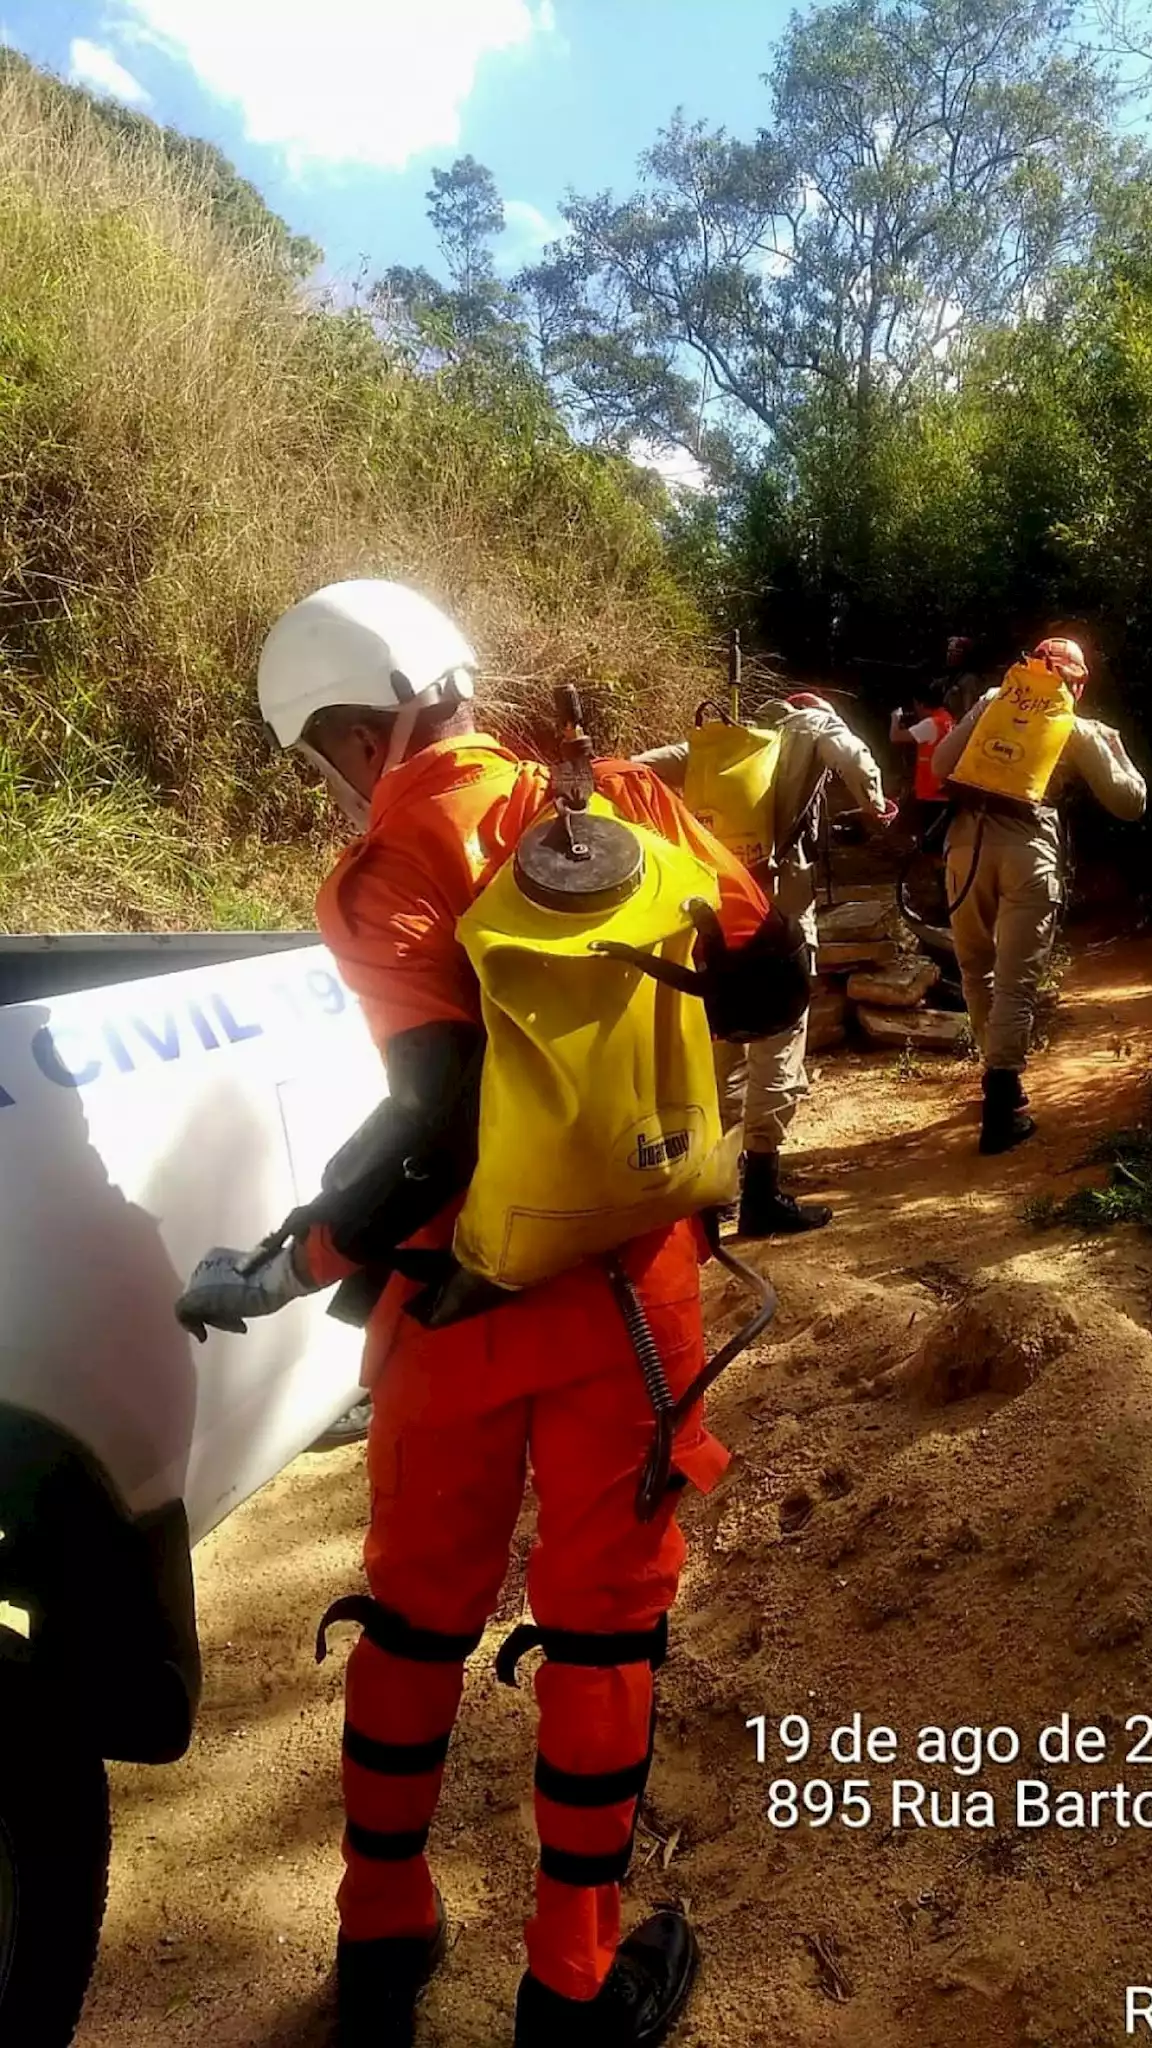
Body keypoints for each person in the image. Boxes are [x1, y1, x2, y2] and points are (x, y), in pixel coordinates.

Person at [173, 580, 810, 2048]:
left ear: (345, 730)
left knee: (414, 1613)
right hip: (625, 1300)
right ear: (449, 678)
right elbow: (774, 986)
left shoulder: (386, 864)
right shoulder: (634, 799)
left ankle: (382, 1933)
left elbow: (434, 1131)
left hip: (453, 1310)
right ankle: (573, 1984)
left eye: (318, 754)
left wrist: (291, 1264)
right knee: (602, 1637)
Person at [637, 690, 890, 1236]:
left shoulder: (724, 749)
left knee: (723, 1046)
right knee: (778, 1048)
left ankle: (711, 1197)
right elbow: (854, 757)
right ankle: (761, 1193)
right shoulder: (815, 729)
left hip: (715, 919)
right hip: (780, 923)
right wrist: (875, 801)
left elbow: (639, 769)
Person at [931, 637, 1146, 1155]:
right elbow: (1129, 803)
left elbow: (940, 765)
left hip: (964, 848)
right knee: (1015, 980)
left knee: (976, 969)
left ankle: (997, 1073)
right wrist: (1114, 748)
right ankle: (1001, 1098)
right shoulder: (1075, 724)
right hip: (1028, 852)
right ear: (1077, 682)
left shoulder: (990, 702)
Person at [889, 680, 955, 838]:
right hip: (943, 788)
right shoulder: (946, 718)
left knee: (925, 837)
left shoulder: (930, 724)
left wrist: (895, 719)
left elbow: (896, 736)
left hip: (931, 791)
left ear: (921, 704)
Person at [942, 634, 982, 720]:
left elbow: (969, 712)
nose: (949, 655)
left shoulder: (969, 680)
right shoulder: (951, 679)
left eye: (953, 652)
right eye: (948, 651)